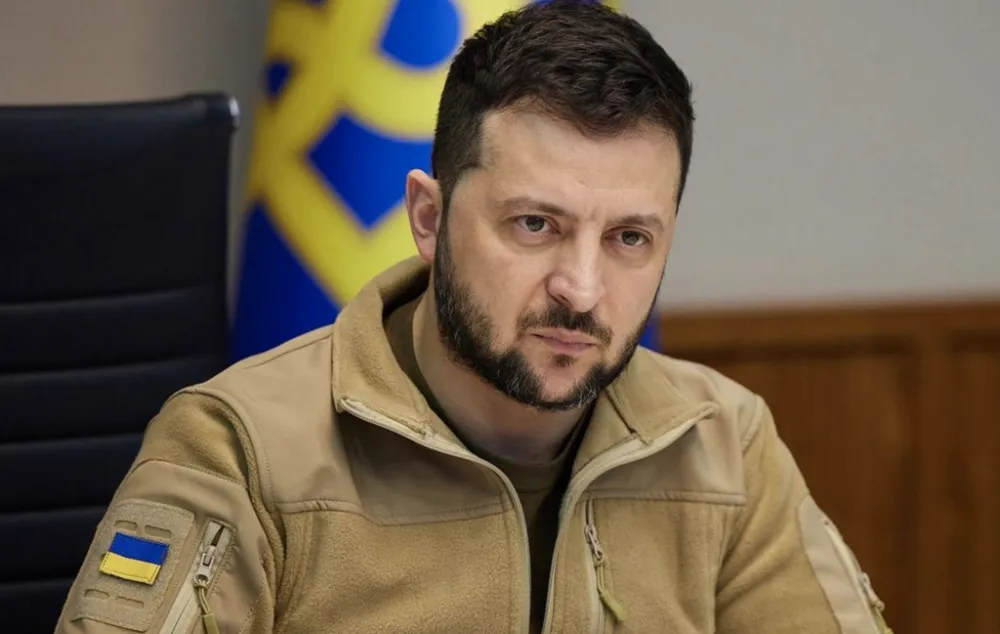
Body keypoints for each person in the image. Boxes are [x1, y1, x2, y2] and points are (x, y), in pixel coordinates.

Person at [55, 2, 893, 633]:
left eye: (630, 238)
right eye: (535, 225)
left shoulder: (723, 443)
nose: (582, 289)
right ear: (429, 219)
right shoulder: (239, 449)